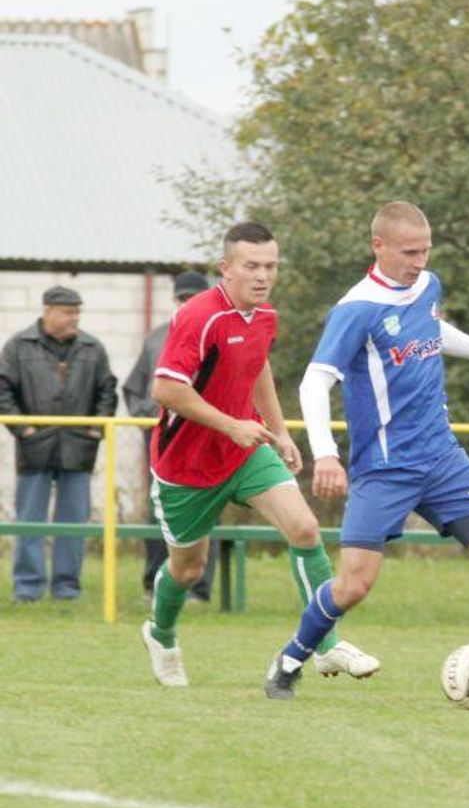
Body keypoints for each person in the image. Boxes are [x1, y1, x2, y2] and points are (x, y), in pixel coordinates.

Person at [263, 201, 469, 706]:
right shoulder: (357, 309)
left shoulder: (427, 285)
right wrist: (325, 454)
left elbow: (432, 332)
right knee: (353, 586)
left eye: (425, 250)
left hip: (442, 459)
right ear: (379, 246)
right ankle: (289, 660)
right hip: (385, 469)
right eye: (409, 252)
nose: (419, 261)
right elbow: (314, 381)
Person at [140, 222, 379, 687]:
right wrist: (232, 424)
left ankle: (326, 646)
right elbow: (165, 389)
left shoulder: (264, 315)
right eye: (251, 266)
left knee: (306, 528)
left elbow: (257, 367)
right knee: (188, 569)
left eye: (270, 266)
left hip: (244, 451)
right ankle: (161, 633)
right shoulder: (198, 315)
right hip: (186, 466)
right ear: (225, 269)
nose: (262, 275)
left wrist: (279, 431)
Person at [0, 286, 117, 602]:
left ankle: (67, 589)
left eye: (78, 312)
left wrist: (95, 430)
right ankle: (27, 588)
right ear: (47, 311)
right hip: (34, 447)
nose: (74, 318)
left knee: (74, 521)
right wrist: (23, 429)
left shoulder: (93, 348)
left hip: (79, 448)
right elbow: (3, 391)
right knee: (30, 519)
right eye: (68, 312)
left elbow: (107, 391)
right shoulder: (18, 347)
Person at [122, 270, 218, 603]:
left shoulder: (219, 332)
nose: (189, 303)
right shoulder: (156, 338)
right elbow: (134, 388)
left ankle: (199, 590)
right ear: (175, 300)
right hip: (165, 444)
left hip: (205, 441)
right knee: (158, 513)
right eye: (183, 298)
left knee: (205, 511)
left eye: (196, 297)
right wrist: (146, 419)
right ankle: (154, 586)